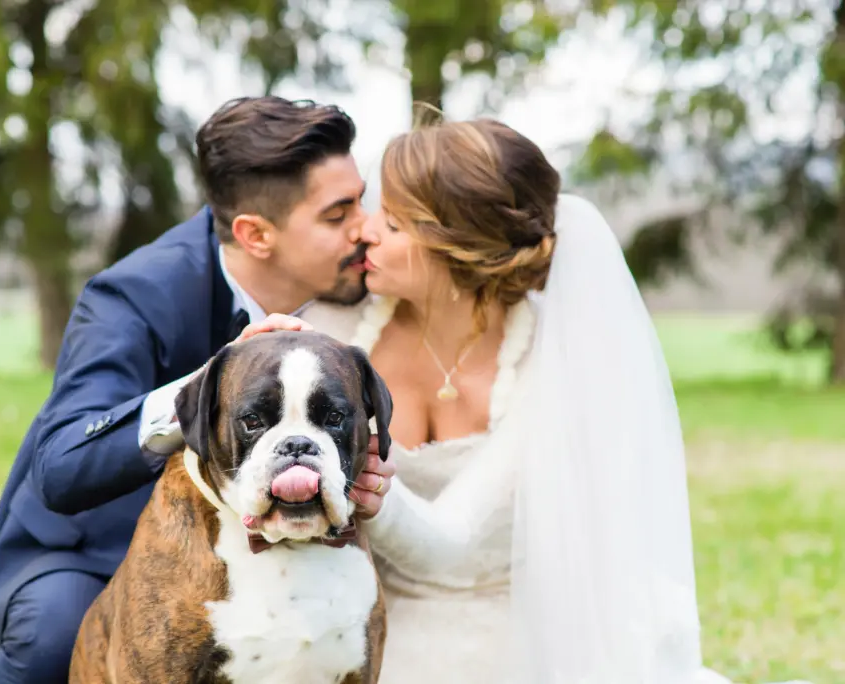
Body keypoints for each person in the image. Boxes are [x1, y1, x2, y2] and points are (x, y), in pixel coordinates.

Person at [286, 117, 813, 683]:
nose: (364, 231)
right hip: (360, 625)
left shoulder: (558, 358)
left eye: (391, 223)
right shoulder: (333, 330)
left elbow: (453, 544)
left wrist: (375, 497)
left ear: (457, 246)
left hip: (521, 642)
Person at [0, 95, 396, 684]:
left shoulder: (363, 287)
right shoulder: (136, 295)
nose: (366, 228)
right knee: (52, 635)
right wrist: (203, 388)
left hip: (303, 550)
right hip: (96, 548)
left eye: (362, 201)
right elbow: (59, 464)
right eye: (338, 214)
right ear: (255, 234)